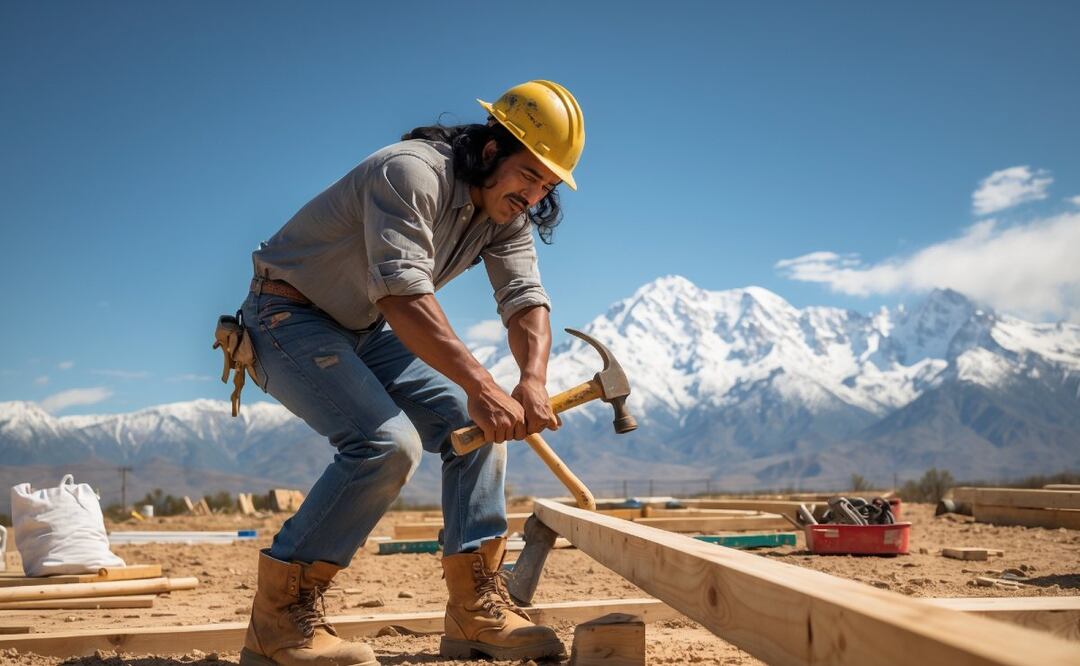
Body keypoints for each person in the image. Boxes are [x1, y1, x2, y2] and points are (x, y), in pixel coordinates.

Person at [234, 80, 585, 666]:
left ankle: (475, 611)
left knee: (472, 431)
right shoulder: (411, 174)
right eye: (530, 174)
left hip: (363, 329)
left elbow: (525, 297)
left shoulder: (507, 212)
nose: (535, 193)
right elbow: (401, 295)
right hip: (284, 315)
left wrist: (531, 379)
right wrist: (482, 384)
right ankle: (279, 624)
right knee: (384, 444)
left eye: (548, 184)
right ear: (493, 150)